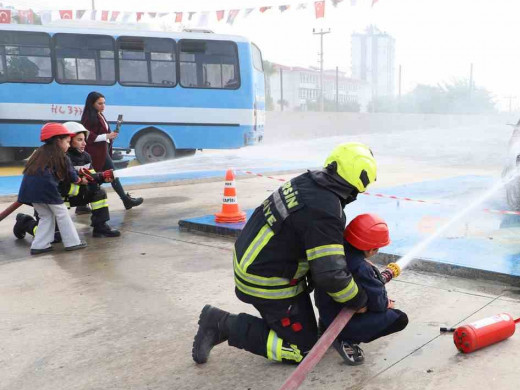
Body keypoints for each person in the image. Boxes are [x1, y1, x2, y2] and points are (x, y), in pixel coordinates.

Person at [191, 142, 398, 365]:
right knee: (305, 349)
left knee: (315, 319)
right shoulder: (325, 212)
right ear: (358, 183)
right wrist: (359, 301)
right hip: (266, 281)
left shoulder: (309, 182)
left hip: (254, 261)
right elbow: (330, 275)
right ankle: (222, 324)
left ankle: (292, 324)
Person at [316, 213, 407, 365]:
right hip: (343, 321)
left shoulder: (333, 254)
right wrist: (386, 303)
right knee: (399, 318)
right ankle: (347, 340)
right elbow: (377, 303)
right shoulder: (362, 268)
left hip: (326, 312)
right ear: (371, 250)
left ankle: (325, 327)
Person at [14, 123, 88, 255]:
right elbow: (71, 175)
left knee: (46, 216)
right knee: (62, 214)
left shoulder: (39, 153)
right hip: (47, 189)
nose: (69, 145)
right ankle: (73, 242)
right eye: (67, 142)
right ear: (58, 141)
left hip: (29, 190)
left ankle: (39, 246)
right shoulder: (61, 156)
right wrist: (81, 180)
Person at [81, 91, 143, 210]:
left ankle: (82, 205)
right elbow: (88, 137)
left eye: (104, 103)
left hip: (102, 152)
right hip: (96, 153)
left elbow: (102, 133)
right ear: (91, 104)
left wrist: (110, 136)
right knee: (111, 174)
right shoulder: (88, 118)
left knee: (100, 177)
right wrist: (107, 136)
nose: (103, 106)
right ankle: (125, 200)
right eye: (99, 103)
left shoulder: (99, 114)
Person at [62, 121, 120, 237]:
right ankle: (25, 223)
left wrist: (103, 177)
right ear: (69, 139)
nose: (84, 143)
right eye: (79, 140)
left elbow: (92, 177)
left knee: (99, 192)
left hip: (77, 195)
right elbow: (64, 180)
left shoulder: (86, 157)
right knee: (53, 235)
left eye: (84, 139)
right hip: (60, 197)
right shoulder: (62, 158)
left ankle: (100, 227)